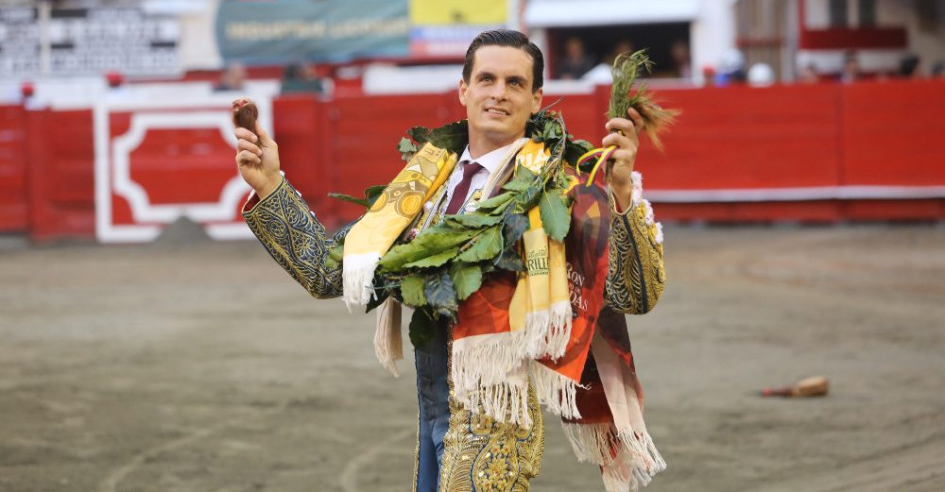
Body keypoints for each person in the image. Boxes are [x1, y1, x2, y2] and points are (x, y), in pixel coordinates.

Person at [233, 29, 668, 491]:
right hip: (433, 415)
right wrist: (270, 185)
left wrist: (620, 195)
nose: (499, 93)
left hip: (496, 431)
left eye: (515, 83)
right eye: (487, 79)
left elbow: (632, 294)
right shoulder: (420, 191)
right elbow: (325, 272)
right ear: (464, 90)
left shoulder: (559, 189)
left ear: (537, 98)